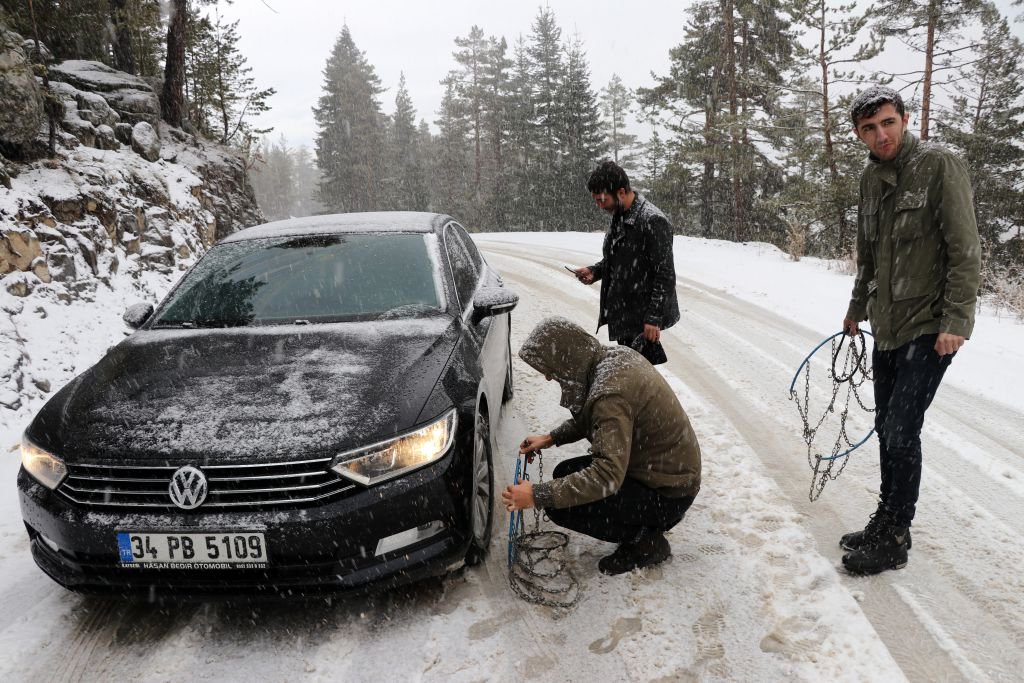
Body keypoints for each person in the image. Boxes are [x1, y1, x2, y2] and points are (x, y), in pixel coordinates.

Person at [840, 85, 981, 575]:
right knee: (885, 428)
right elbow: (869, 253)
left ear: (903, 118)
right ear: (859, 135)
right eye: (869, 129)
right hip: (888, 325)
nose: (880, 135)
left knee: (902, 431)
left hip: (930, 325)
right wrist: (856, 307)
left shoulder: (939, 164)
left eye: (887, 123)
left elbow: (965, 249)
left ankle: (896, 535)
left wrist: (956, 321)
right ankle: (884, 518)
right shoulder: (868, 179)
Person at [501, 317, 701, 575]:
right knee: (565, 475)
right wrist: (551, 437)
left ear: (568, 358)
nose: (550, 377)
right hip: (664, 475)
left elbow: (607, 476)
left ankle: (646, 542)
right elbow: (596, 418)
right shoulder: (610, 360)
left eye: (550, 369)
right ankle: (643, 525)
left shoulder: (610, 394)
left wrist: (536, 495)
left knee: (558, 505)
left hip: (669, 493)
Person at [569, 160, 679, 364]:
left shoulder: (653, 221)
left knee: (638, 382)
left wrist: (653, 318)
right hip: (624, 315)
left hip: (641, 318)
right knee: (629, 377)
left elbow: (665, 274)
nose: (599, 205)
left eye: (602, 199)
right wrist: (595, 271)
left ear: (620, 192)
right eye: (596, 200)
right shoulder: (621, 214)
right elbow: (619, 258)